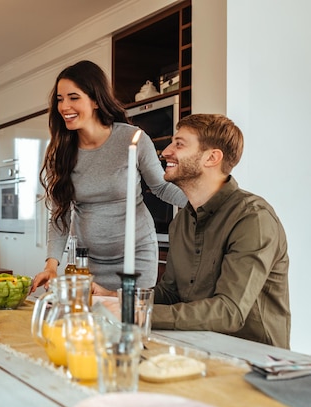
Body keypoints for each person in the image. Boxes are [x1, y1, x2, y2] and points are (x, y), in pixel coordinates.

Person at [95, 114, 290, 348]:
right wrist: (113, 297)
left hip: (256, 363)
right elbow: (170, 293)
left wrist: (136, 314)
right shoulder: (182, 222)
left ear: (211, 158)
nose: (165, 151)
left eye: (179, 144)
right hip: (198, 349)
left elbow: (229, 311)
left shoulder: (253, 218)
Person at [32, 60, 187, 292]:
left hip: (136, 258)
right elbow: (60, 214)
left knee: (130, 322)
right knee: (85, 324)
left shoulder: (132, 139)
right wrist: (52, 265)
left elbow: (161, 188)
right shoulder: (60, 151)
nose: (64, 107)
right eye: (60, 99)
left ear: (95, 100)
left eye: (74, 98)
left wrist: (208, 203)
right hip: (85, 264)